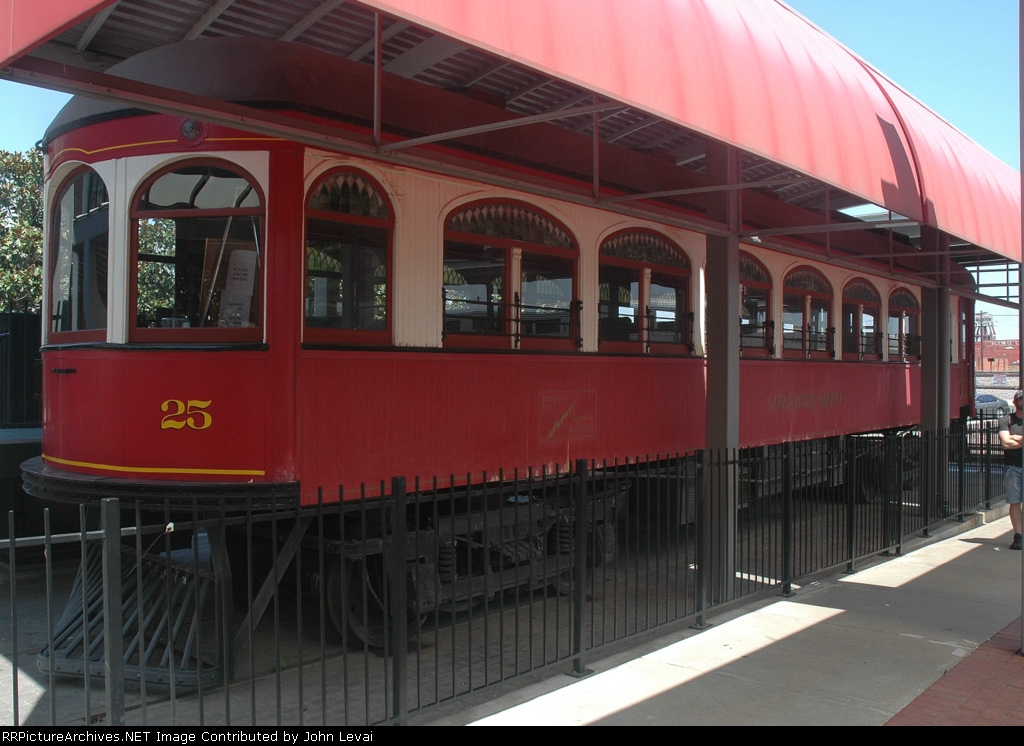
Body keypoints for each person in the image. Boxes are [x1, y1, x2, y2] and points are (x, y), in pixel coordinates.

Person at [997, 389, 1024, 550]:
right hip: (1013, 468)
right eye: (1021, 399)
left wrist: (1015, 438)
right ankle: (1018, 535)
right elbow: (1006, 443)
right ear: (1015, 402)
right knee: (1015, 503)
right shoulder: (1006, 420)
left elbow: (1010, 440)